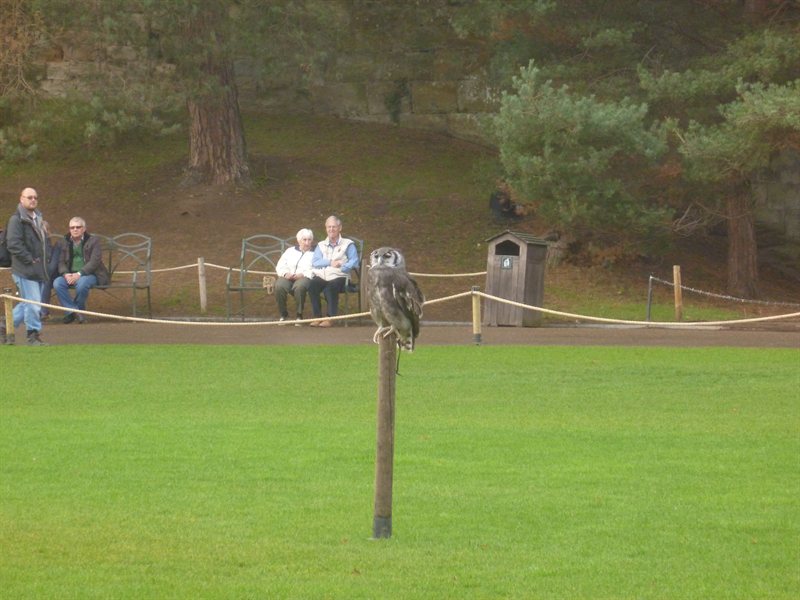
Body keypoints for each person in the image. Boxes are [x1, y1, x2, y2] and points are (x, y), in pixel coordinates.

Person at [4, 187, 49, 345]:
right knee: (34, 303)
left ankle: (3, 326)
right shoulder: (16, 220)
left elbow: (44, 243)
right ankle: (33, 335)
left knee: (29, 303)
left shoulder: (38, 218)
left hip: (39, 269)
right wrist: (30, 259)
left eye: (35, 197)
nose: (33, 200)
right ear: (21, 199)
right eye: (29, 197)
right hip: (24, 269)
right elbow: (13, 244)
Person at [53, 217, 109, 324]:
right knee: (57, 283)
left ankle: (74, 313)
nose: (75, 229)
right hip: (69, 274)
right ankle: (74, 312)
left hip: (90, 274)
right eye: (72, 227)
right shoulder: (63, 241)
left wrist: (79, 274)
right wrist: (65, 274)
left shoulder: (93, 241)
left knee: (82, 283)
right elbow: (60, 262)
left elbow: (95, 261)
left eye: (78, 227)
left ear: (84, 229)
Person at [308, 215, 359, 327]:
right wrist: (330, 262)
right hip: (323, 275)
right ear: (326, 228)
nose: (331, 229)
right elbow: (315, 262)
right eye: (329, 227)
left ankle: (330, 318)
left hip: (339, 276)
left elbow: (354, 261)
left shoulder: (348, 244)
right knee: (312, 285)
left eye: (334, 227)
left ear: (339, 228)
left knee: (330, 288)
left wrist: (343, 267)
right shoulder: (321, 245)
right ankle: (317, 317)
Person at [274, 228, 315, 324]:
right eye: (304, 240)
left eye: (309, 240)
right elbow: (281, 265)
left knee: (299, 287)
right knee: (279, 285)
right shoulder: (290, 251)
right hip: (289, 276)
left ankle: (299, 315)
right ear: (299, 240)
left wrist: (303, 274)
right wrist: (285, 273)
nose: (307, 242)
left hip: (305, 277)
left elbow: (316, 269)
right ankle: (283, 314)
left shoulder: (315, 253)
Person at [39, 220, 62, 320]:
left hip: (53, 274)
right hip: (42, 274)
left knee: (46, 278)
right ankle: (43, 312)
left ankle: (43, 312)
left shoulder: (55, 246)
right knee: (45, 279)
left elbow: (52, 267)